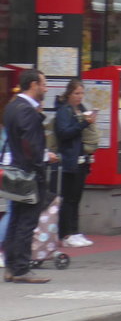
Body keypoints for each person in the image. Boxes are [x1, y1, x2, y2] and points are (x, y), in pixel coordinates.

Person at [3, 69, 57, 283]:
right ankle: (21, 269)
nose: (46, 88)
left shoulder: (12, 106)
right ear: (33, 84)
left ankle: (12, 266)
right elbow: (29, 142)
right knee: (26, 221)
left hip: (15, 171)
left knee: (16, 219)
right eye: (43, 84)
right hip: (28, 173)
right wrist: (42, 159)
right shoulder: (26, 110)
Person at [53, 79, 96, 248]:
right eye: (76, 93)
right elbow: (64, 133)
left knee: (76, 197)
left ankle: (76, 231)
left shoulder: (82, 109)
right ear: (69, 94)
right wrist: (84, 123)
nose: (79, 97)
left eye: (81, 93)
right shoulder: (64, 111)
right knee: (69, 197)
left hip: (82, 158)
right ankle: (66, 233)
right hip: (70, 159)